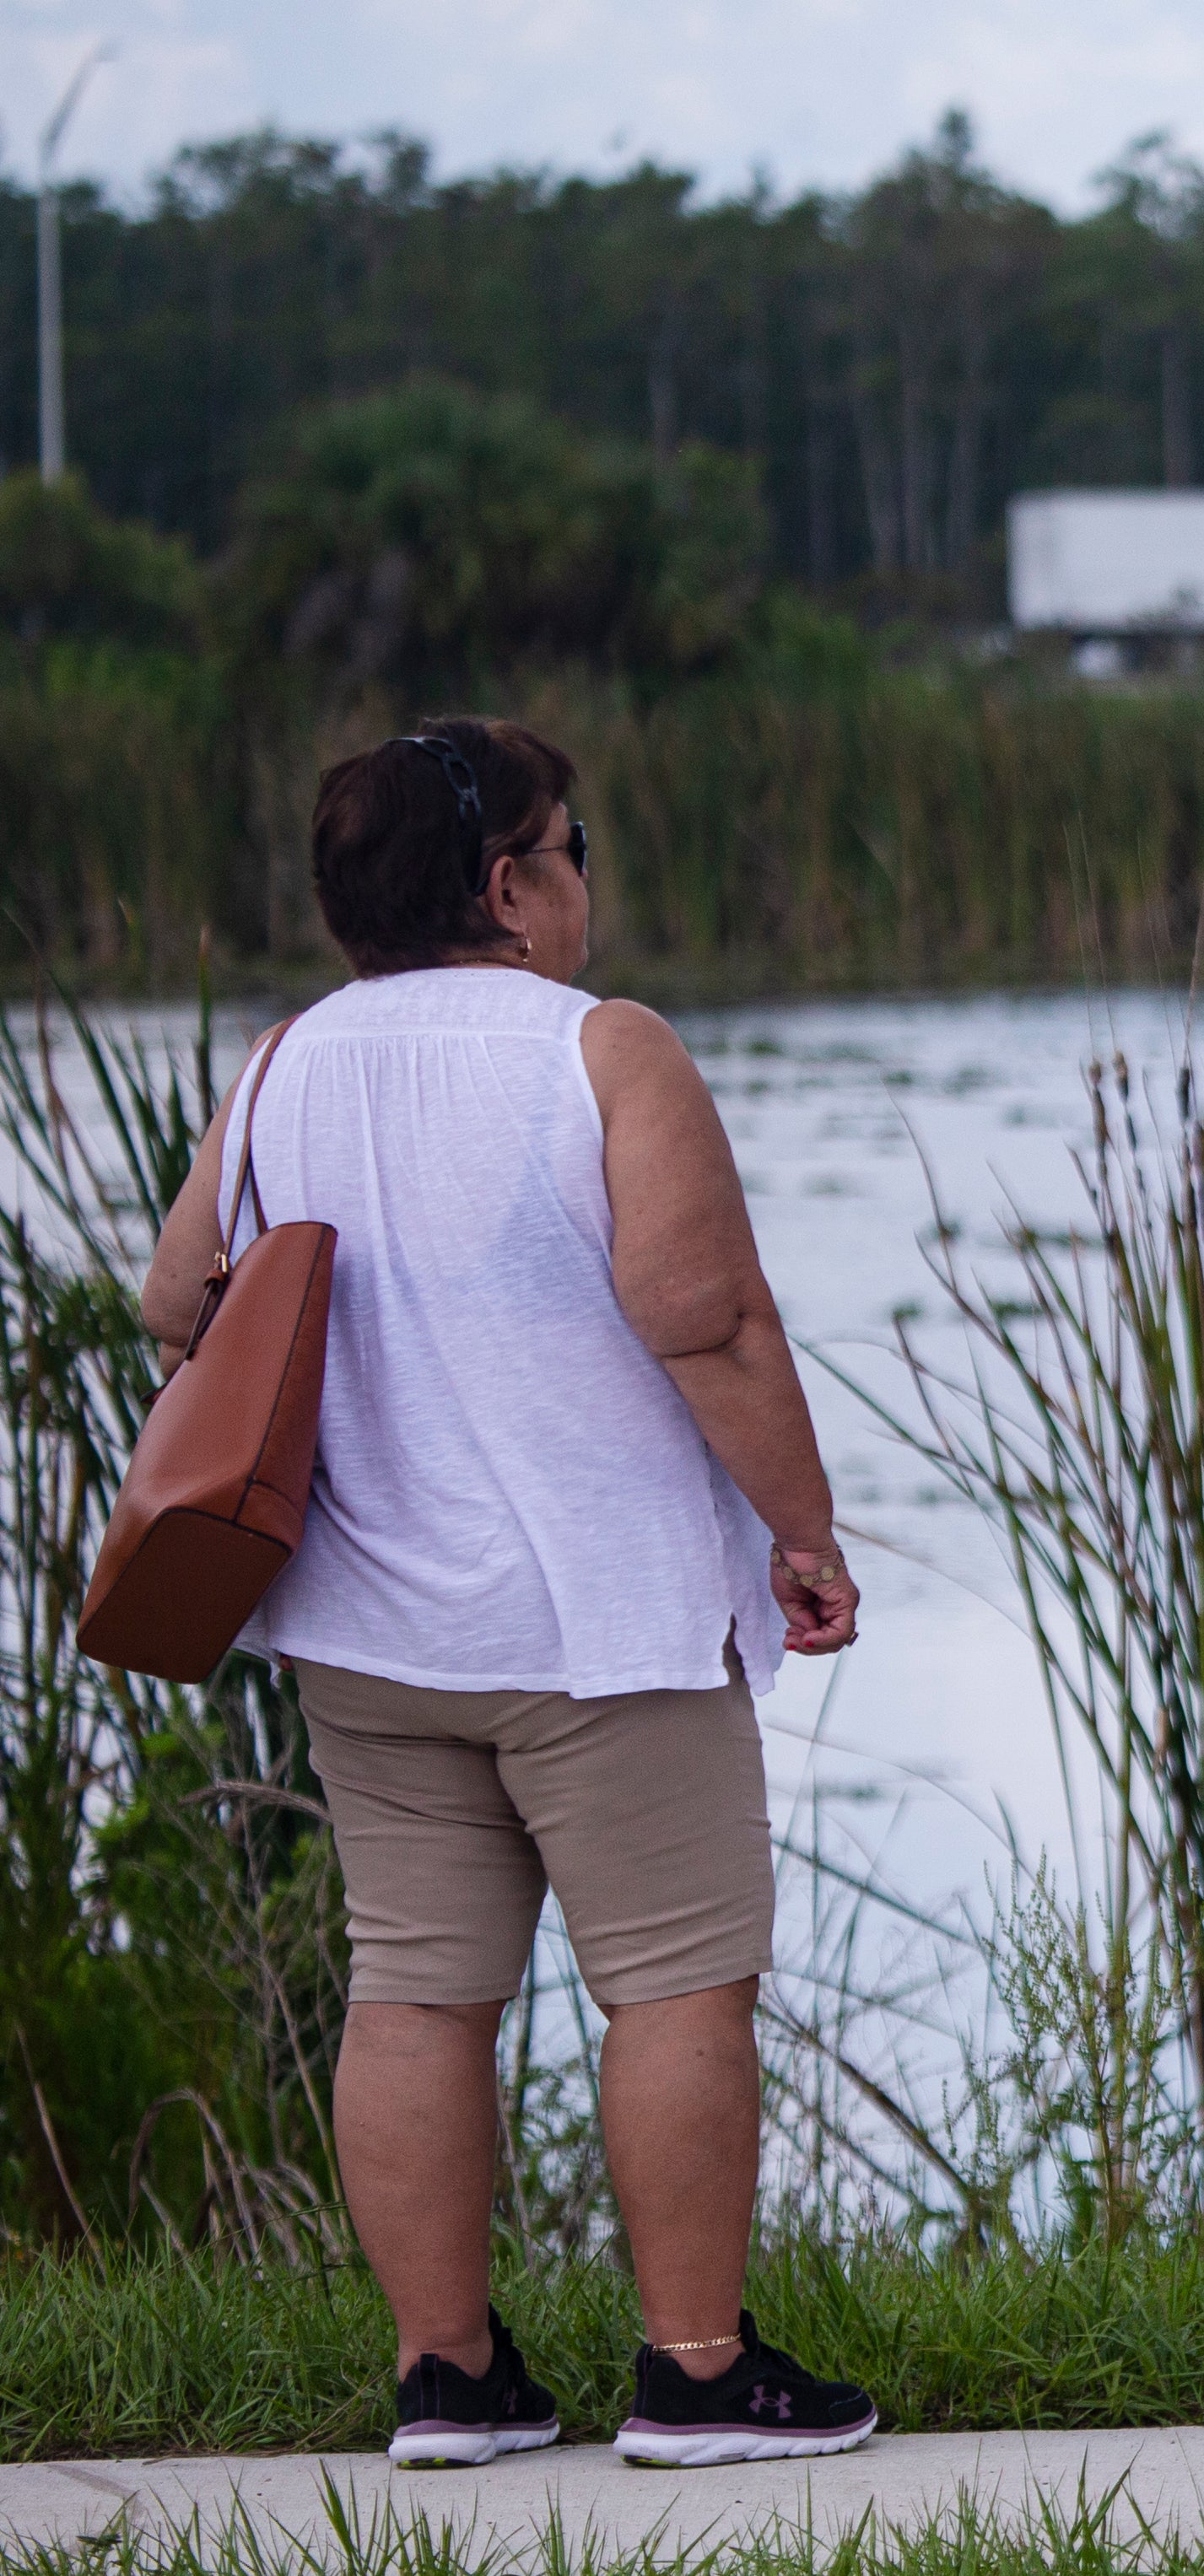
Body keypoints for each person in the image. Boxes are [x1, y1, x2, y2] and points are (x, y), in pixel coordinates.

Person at [139, 717, 876, 2471]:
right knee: (678, 1988)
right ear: (507, 884)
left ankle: (448, 2379)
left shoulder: (285, 1065)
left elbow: (178, 1304)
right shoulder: (600, 1053)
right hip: (602, 1626)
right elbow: (709, 1321)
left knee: (413, 1989)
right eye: (575, 847)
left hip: (367, 1631)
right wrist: (806, 1536)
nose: (582, 880)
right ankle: (697, 2376)